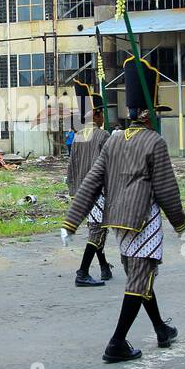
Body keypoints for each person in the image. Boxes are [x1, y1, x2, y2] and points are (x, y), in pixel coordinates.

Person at [62, 56, 185, 363]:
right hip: (144, 221)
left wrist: (70, 222)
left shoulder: (113, 141)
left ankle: (160, 328)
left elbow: (90, 181)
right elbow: (167, 191)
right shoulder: (154, 143)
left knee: (139, 274)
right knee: (139, 278)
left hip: (118, 223)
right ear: (148, 114)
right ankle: (117, 342)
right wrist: (182, 226)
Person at [66, 79, 114, 287]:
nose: (104, 117)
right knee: (97, 230)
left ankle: (104, 268)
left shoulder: (77, 136)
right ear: (96, 114)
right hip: (98, 192)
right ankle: (82, 272)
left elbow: (71, 167)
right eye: (102, 113)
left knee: (97, 228)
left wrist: (74, 192)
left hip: (81, 193)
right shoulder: (104, 136)